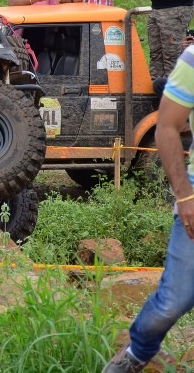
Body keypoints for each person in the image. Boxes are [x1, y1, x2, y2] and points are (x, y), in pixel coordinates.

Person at [102, 44, 194, 371]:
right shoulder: (193, 59)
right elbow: (167, 126)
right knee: (174, 300)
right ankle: (136, 354)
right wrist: (184, 195)